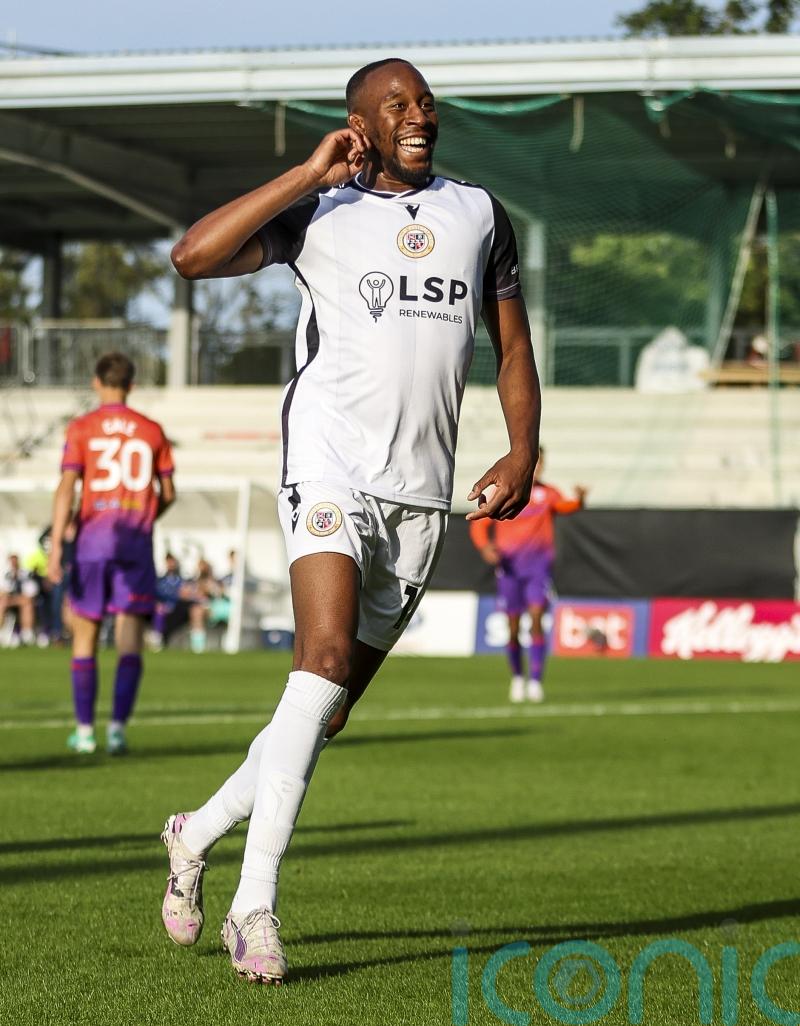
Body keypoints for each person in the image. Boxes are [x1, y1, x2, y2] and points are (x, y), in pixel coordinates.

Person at [161, 58, 540, 984]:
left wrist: (524, 448)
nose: (422, 116)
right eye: (398, 105)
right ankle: (255, 907)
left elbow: (513, 344)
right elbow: (191, 257)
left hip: (421, 497)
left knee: (319, 715)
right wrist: (305, 173)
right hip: (328, 466)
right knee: (320, 661)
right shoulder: (318, 213)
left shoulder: (480, 213)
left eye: (427, 103)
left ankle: (195, 830)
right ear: (360, 122)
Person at [47, 352, 176, 755]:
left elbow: (67, 488)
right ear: (132, 385)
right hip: (134, 544)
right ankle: (118, 729)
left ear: (96, 382)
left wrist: (55, 547)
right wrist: (143, 516)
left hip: (91, 545)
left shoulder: (82, 428)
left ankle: (85, 733)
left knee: (84, 637)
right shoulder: (152, 430)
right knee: (129, 639)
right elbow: (168, 493)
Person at [470, 447, 587, 702]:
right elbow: (481, 522)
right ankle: (517, 677)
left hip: (538, 568)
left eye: (540, 463)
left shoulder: (548, 494)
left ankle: (535, 680)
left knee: (536, 620)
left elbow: (565, 505)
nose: (537, 469)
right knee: (512, 629)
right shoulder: (506, 492)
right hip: (510, 568)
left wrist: (578, 501)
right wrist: (485, 546)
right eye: (533, 463)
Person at [0, 553, 37, 646]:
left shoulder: (26, 574)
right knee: (2, 603)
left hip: (23, 600)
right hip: (9, 601)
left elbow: (31, 593)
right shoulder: (5, 574)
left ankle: (27, 634)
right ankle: (2, 632)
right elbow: (3, 592)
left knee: (27, 604)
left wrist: (15, 599)